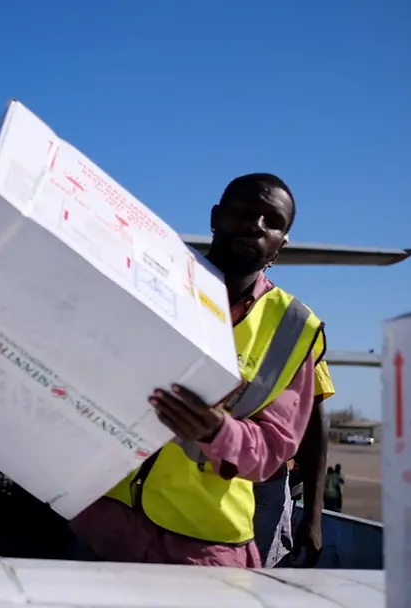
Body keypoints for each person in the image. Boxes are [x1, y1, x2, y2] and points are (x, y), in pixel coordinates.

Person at [71, 173, 325, 568]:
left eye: (272, 221)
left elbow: (275, 449)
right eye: (243, 212)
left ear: (282, 241)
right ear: (215, 218)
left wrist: (218, 432)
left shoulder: (295, 329)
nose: (255, 226)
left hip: (204, 545)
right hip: (104, 522)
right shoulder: (149, 274)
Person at [253, 360, 335, 568]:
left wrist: (313, 517)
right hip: (201, 491)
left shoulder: (301, 342)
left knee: (261, 578)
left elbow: (315, 424)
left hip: (267, 488)